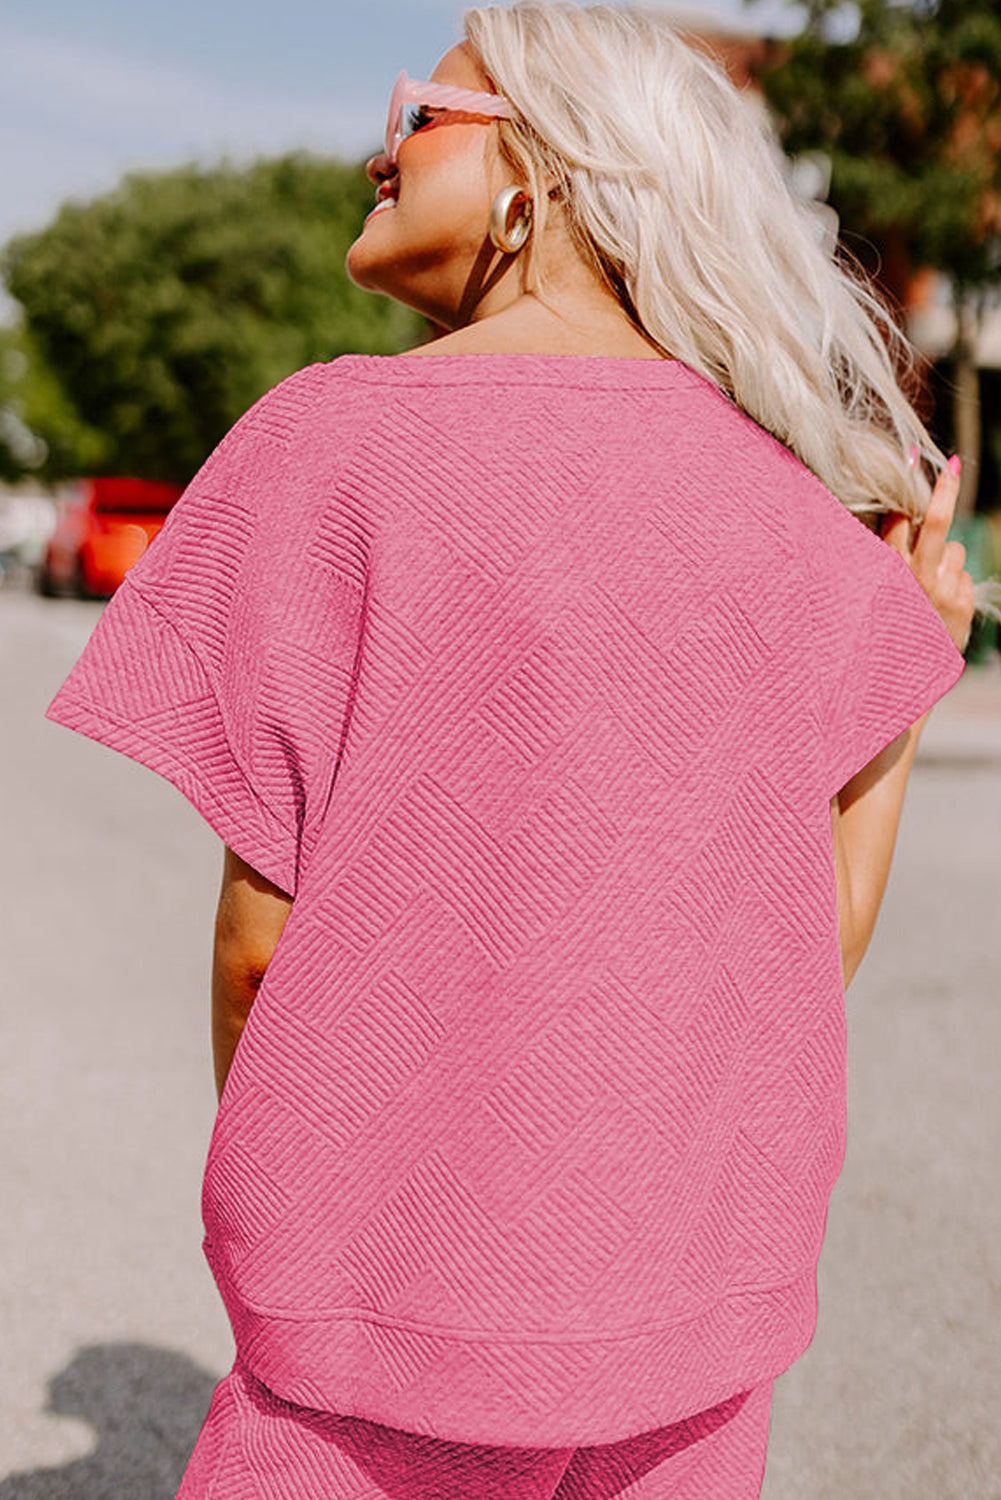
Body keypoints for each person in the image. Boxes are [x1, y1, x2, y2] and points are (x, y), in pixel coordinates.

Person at [46, 5, 979, 1496]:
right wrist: (907, 668)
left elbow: (256, 961)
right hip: (688, 1354)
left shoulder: (332, 443)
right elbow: (813, 948)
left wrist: (329, 1216)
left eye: (419, 113)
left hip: (373, 1351)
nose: (378, 147)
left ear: (539, 170)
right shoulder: (784, 519)